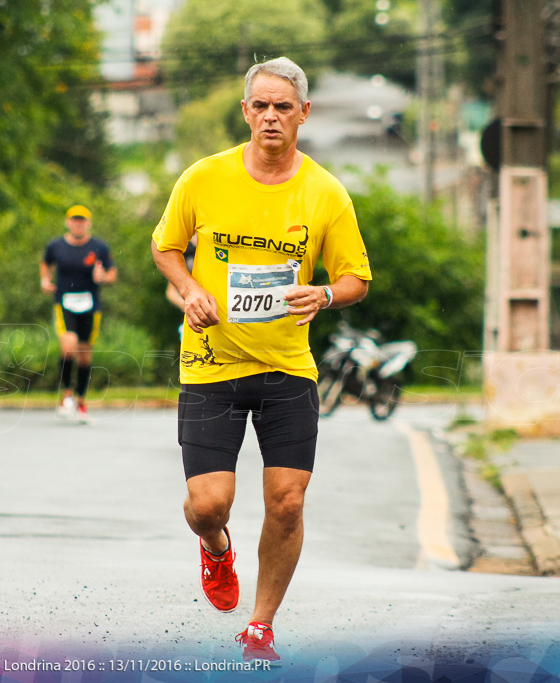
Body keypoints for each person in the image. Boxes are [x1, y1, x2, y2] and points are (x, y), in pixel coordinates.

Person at [151, 56, 371, 662]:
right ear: (245, 111)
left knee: (288, 501)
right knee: (207, 504)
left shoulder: (325, 192)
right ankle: (216, 548)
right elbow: (166, 247)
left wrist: (324, 293)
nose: (271, 116)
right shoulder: (204, 178)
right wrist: (192, 290)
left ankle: (261, 625)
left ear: (304, 113)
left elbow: (355, 278)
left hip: (287, 369)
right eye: (260, 106)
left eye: (283, 107)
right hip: (211, 364)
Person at [40, 205, 117, 423]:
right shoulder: (56, 246)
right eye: (74, 220)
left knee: (84, 354)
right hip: (64, 303)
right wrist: (45, 280)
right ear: (67, 222)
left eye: (82, 220)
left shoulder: (99, 247)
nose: (78, 223)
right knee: (68, 346)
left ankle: (81, 401)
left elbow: (112, 274)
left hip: (90, 306)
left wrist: (103, 277)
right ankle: (66, 397)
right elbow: (45, 264)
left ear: (88, 223)